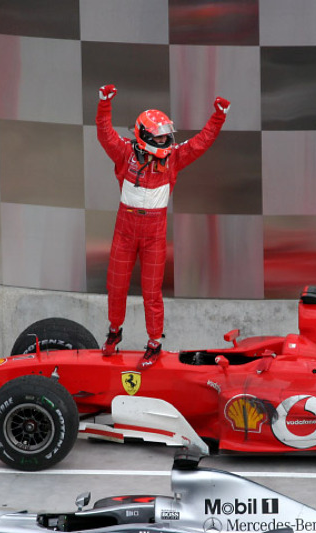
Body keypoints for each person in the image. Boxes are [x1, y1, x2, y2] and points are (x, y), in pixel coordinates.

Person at [96, 84, 230, 369]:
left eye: (168, 136)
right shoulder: (125, 154)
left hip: (154, 237)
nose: (167, 141)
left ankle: (154, 342)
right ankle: (114, 331)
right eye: (161, 137)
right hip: (124, 233)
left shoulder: (173, 159)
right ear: (144, 137)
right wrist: (104, 104)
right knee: (116, 286)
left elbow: (200, 142)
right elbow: (104, 133)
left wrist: (218, 116)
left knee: (152, 293)